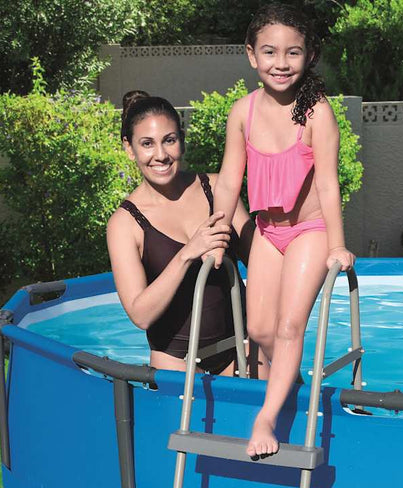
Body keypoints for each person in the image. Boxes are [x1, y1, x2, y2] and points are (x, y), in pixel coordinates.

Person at [212, 3, 356, 457]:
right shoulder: (243, 112)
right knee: (259, 329)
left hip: (309, 230)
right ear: (251, 55)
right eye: (270, 52)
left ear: (309, 56)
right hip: (267, 232)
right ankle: (292, 384)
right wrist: (217, 233)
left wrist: (337, 245)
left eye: (293, 52)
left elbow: (329, 184)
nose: (281, 62)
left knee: (290, 326)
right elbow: (229, 180)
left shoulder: (317, 114)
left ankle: (266, 417)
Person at [106, 91, 255, 375]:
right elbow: (141, 315)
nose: (160, 155)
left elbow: (261, 264)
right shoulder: (124, 223)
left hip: (240, 347)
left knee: (289, 400)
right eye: (147, 144)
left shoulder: (218, 189)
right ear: (129, 148)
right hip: (176, 360)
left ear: (182, 141)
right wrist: (187, 254)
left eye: (169, 140)